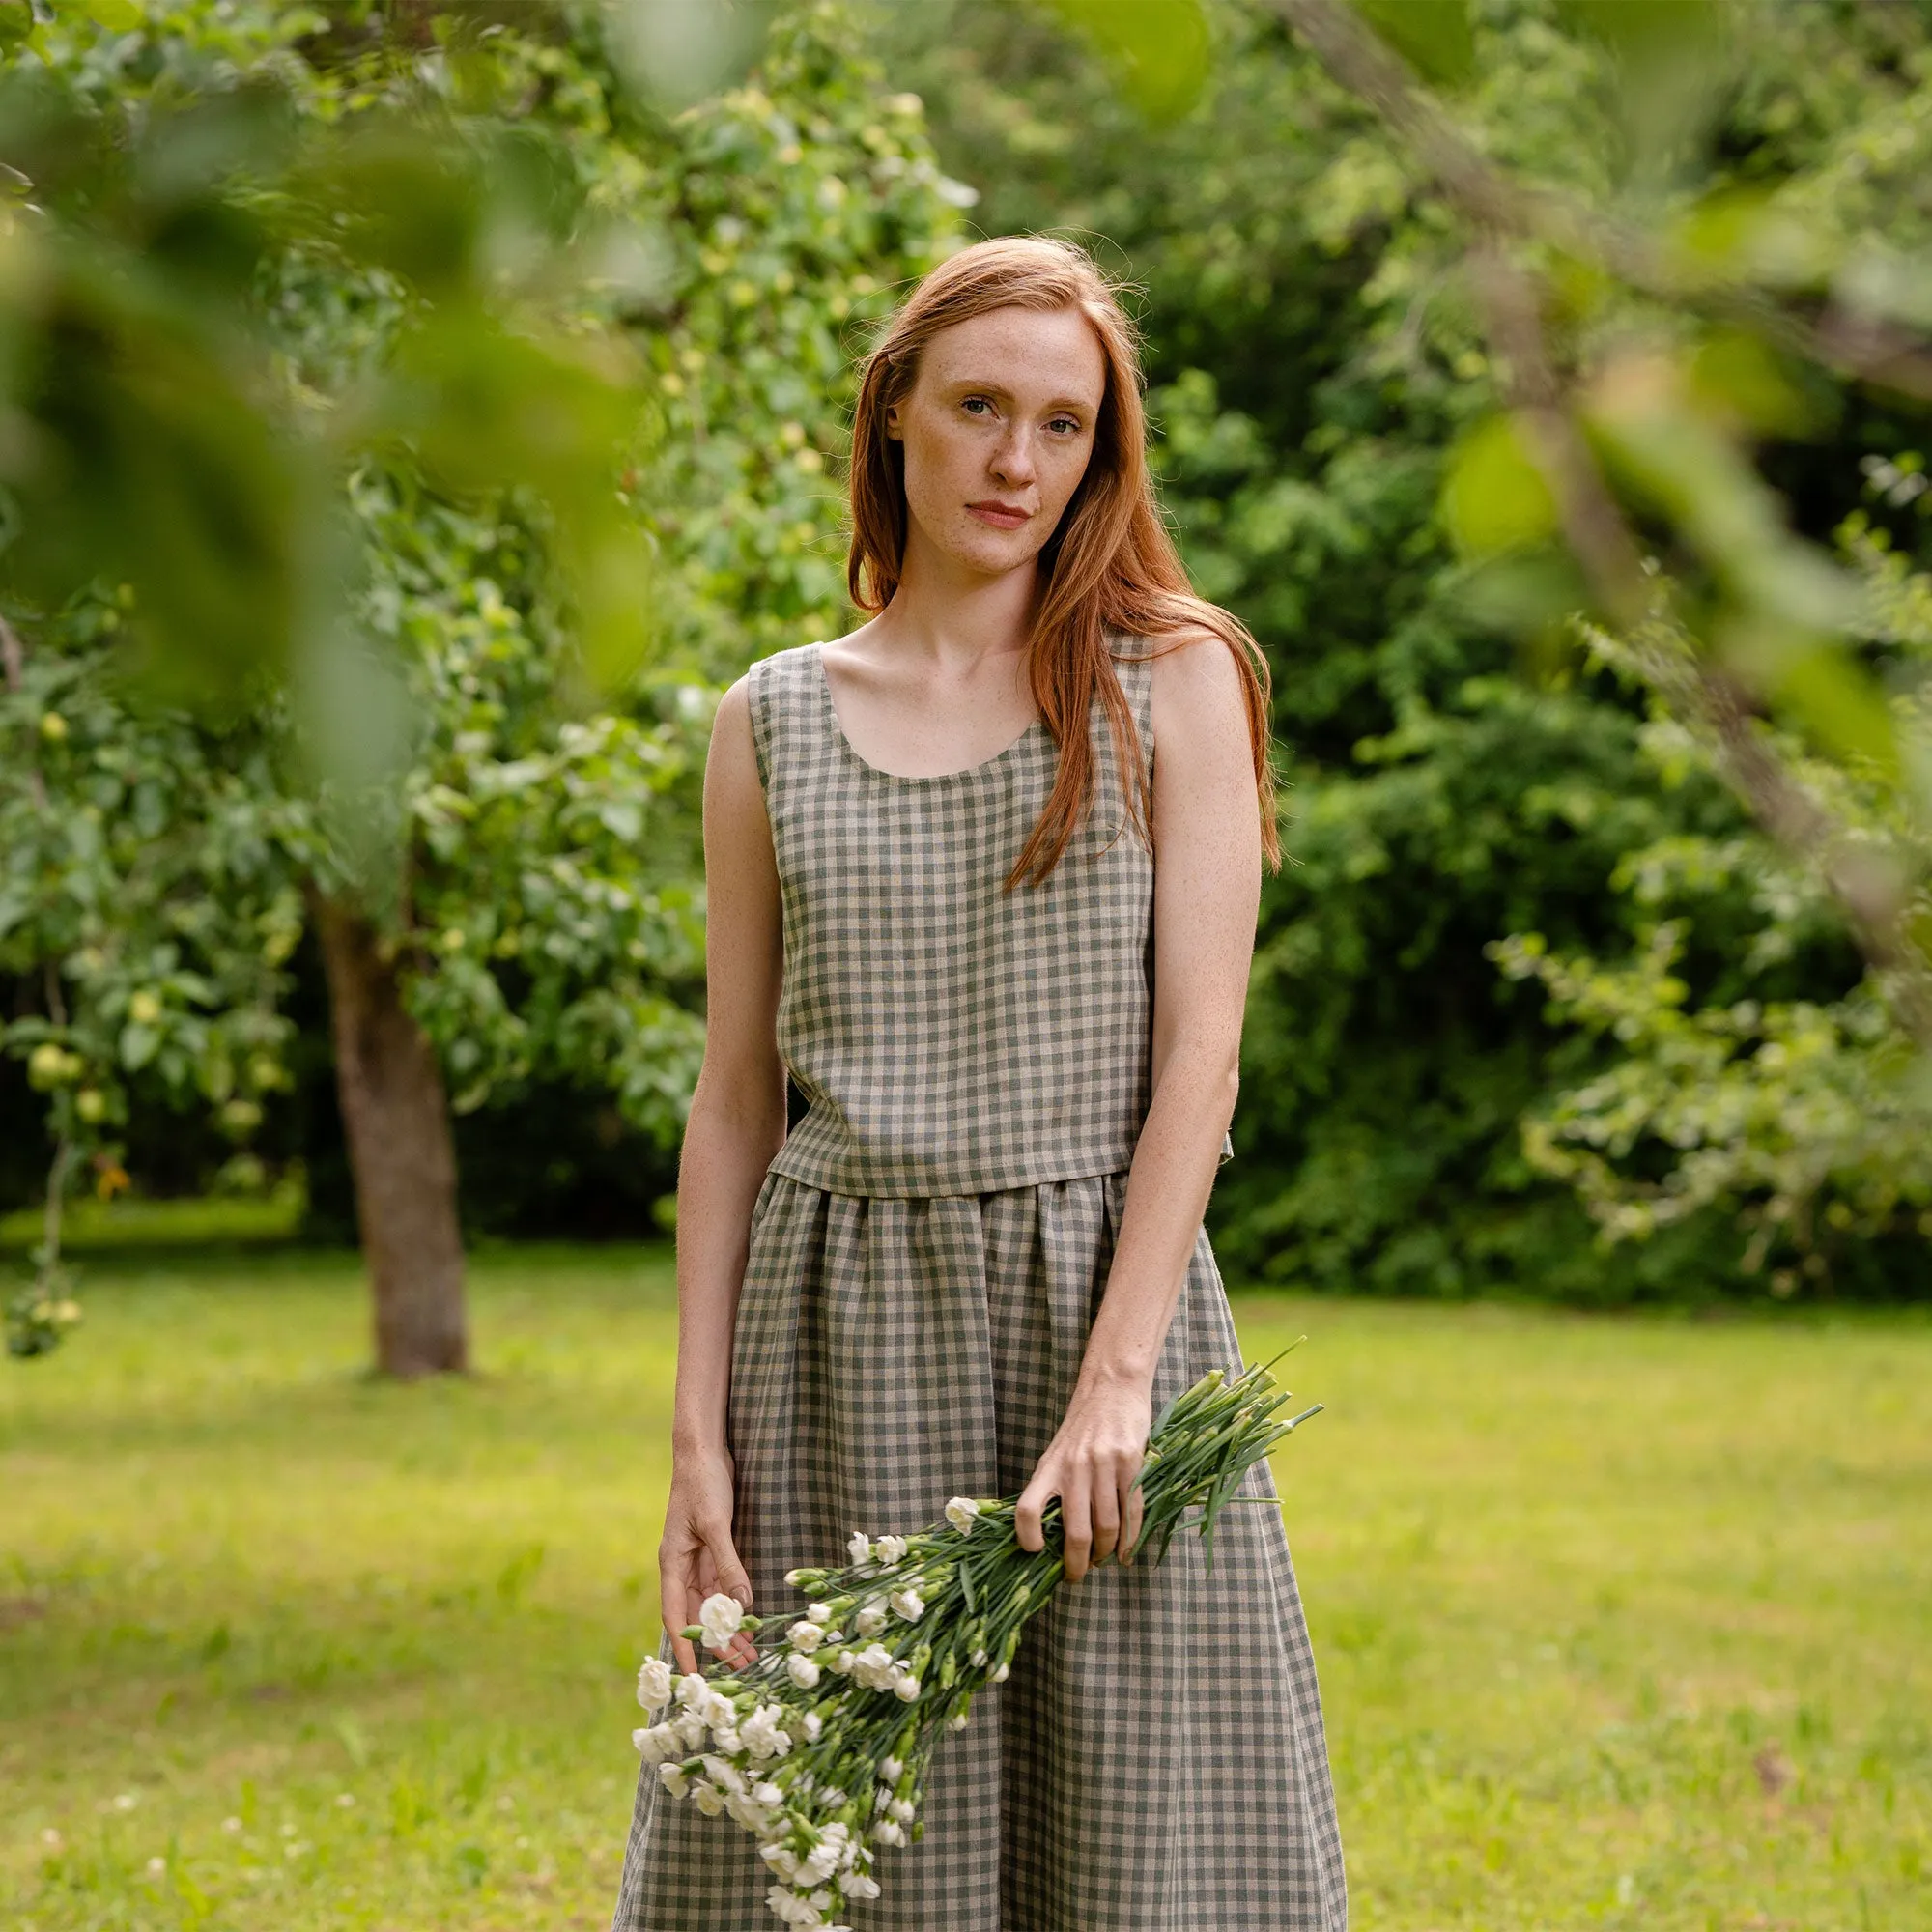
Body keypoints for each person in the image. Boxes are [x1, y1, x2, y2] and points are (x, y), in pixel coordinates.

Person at [611, 234, 1346, 1932]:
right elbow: (734, 1100)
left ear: (1106, 451)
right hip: (833, 1336)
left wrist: (1117, 1383)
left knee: (1140, 1838)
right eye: (980, 408)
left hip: (1093, 1317)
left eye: (1065, 424)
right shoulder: (769, 721)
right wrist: (695, 1440)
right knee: (844, 1848)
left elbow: (1201, 1058)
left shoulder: (1172, 680)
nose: (1018, 461)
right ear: (896, 418)